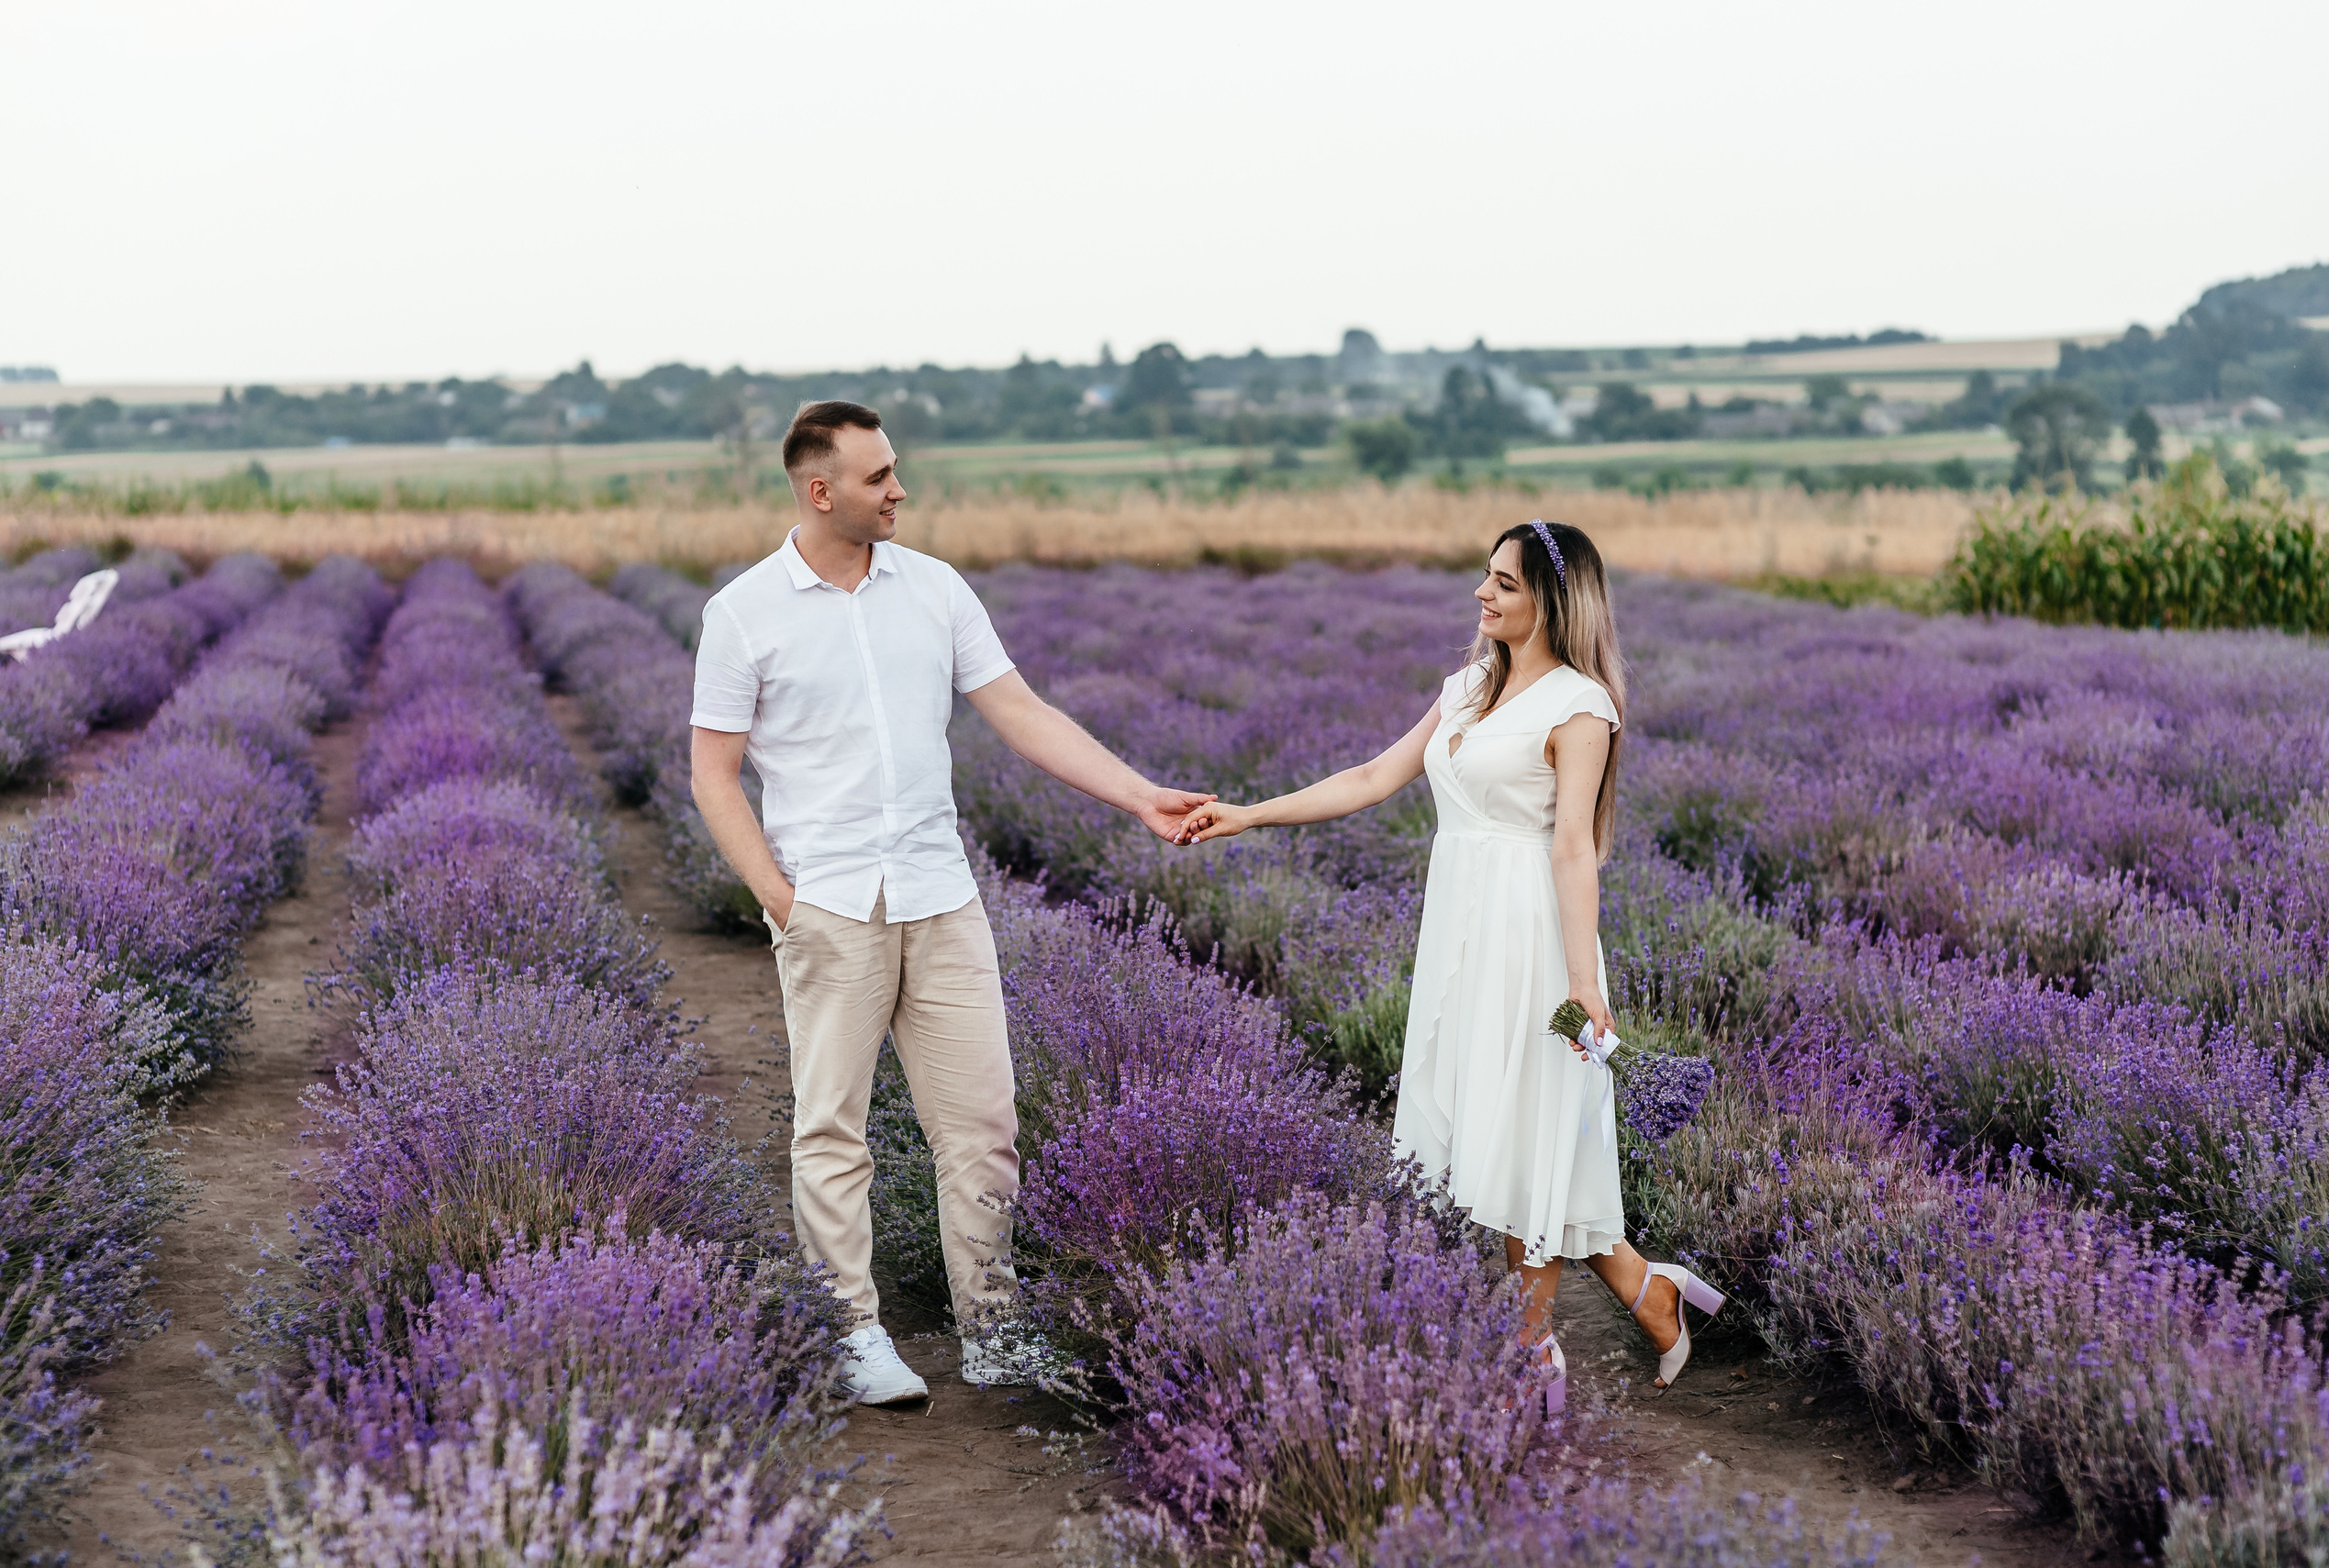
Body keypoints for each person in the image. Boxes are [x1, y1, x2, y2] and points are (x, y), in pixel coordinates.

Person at [688, 400, 1214, 1404]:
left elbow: (1020, 711)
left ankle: (995, 1328)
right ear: (820, 489)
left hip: (940, 892)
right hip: (829, 903)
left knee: (981, 1124)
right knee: (832, 1131)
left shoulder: (933, 589)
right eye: (879, 475)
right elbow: (713, 774)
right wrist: (777, 896)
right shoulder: (743, 612)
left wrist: (1139, 792)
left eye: (894, 470)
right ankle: (851, 1333)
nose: (899, 488)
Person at [1179, 519, 1723, 1410]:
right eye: (1484, 575)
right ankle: (1649, 1289)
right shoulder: (1469, 684)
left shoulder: (1579, 705)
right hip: (1461, 933)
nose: (1482, 593)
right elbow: (1368, 777)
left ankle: (1531, 1353)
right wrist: (1248, 813)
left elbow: (1574, 849)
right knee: (1514, 1132)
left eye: (1503, 583)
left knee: (1527, 1135)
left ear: (1550, 598)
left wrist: (1582, 976)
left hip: (1535, 940)